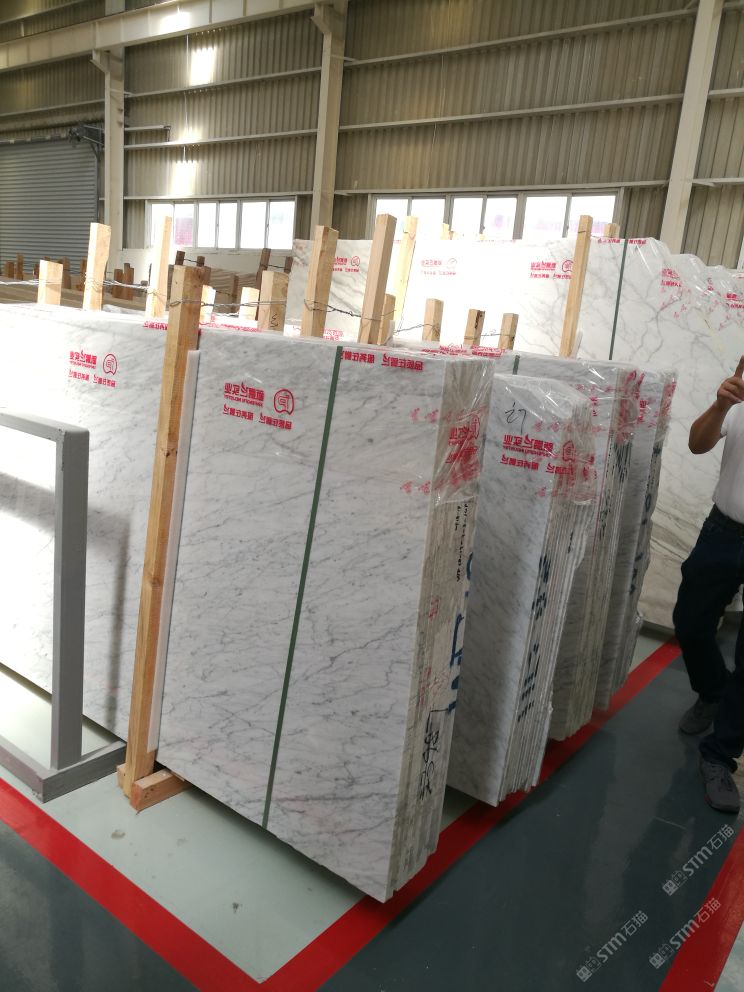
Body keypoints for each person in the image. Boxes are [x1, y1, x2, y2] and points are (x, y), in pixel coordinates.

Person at [673, 356, 744, 814]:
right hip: (724, 530)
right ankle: (713, 691)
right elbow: (697, 445)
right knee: (690, 622)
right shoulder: (738, 399)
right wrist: (720, 406)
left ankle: (720, 756)